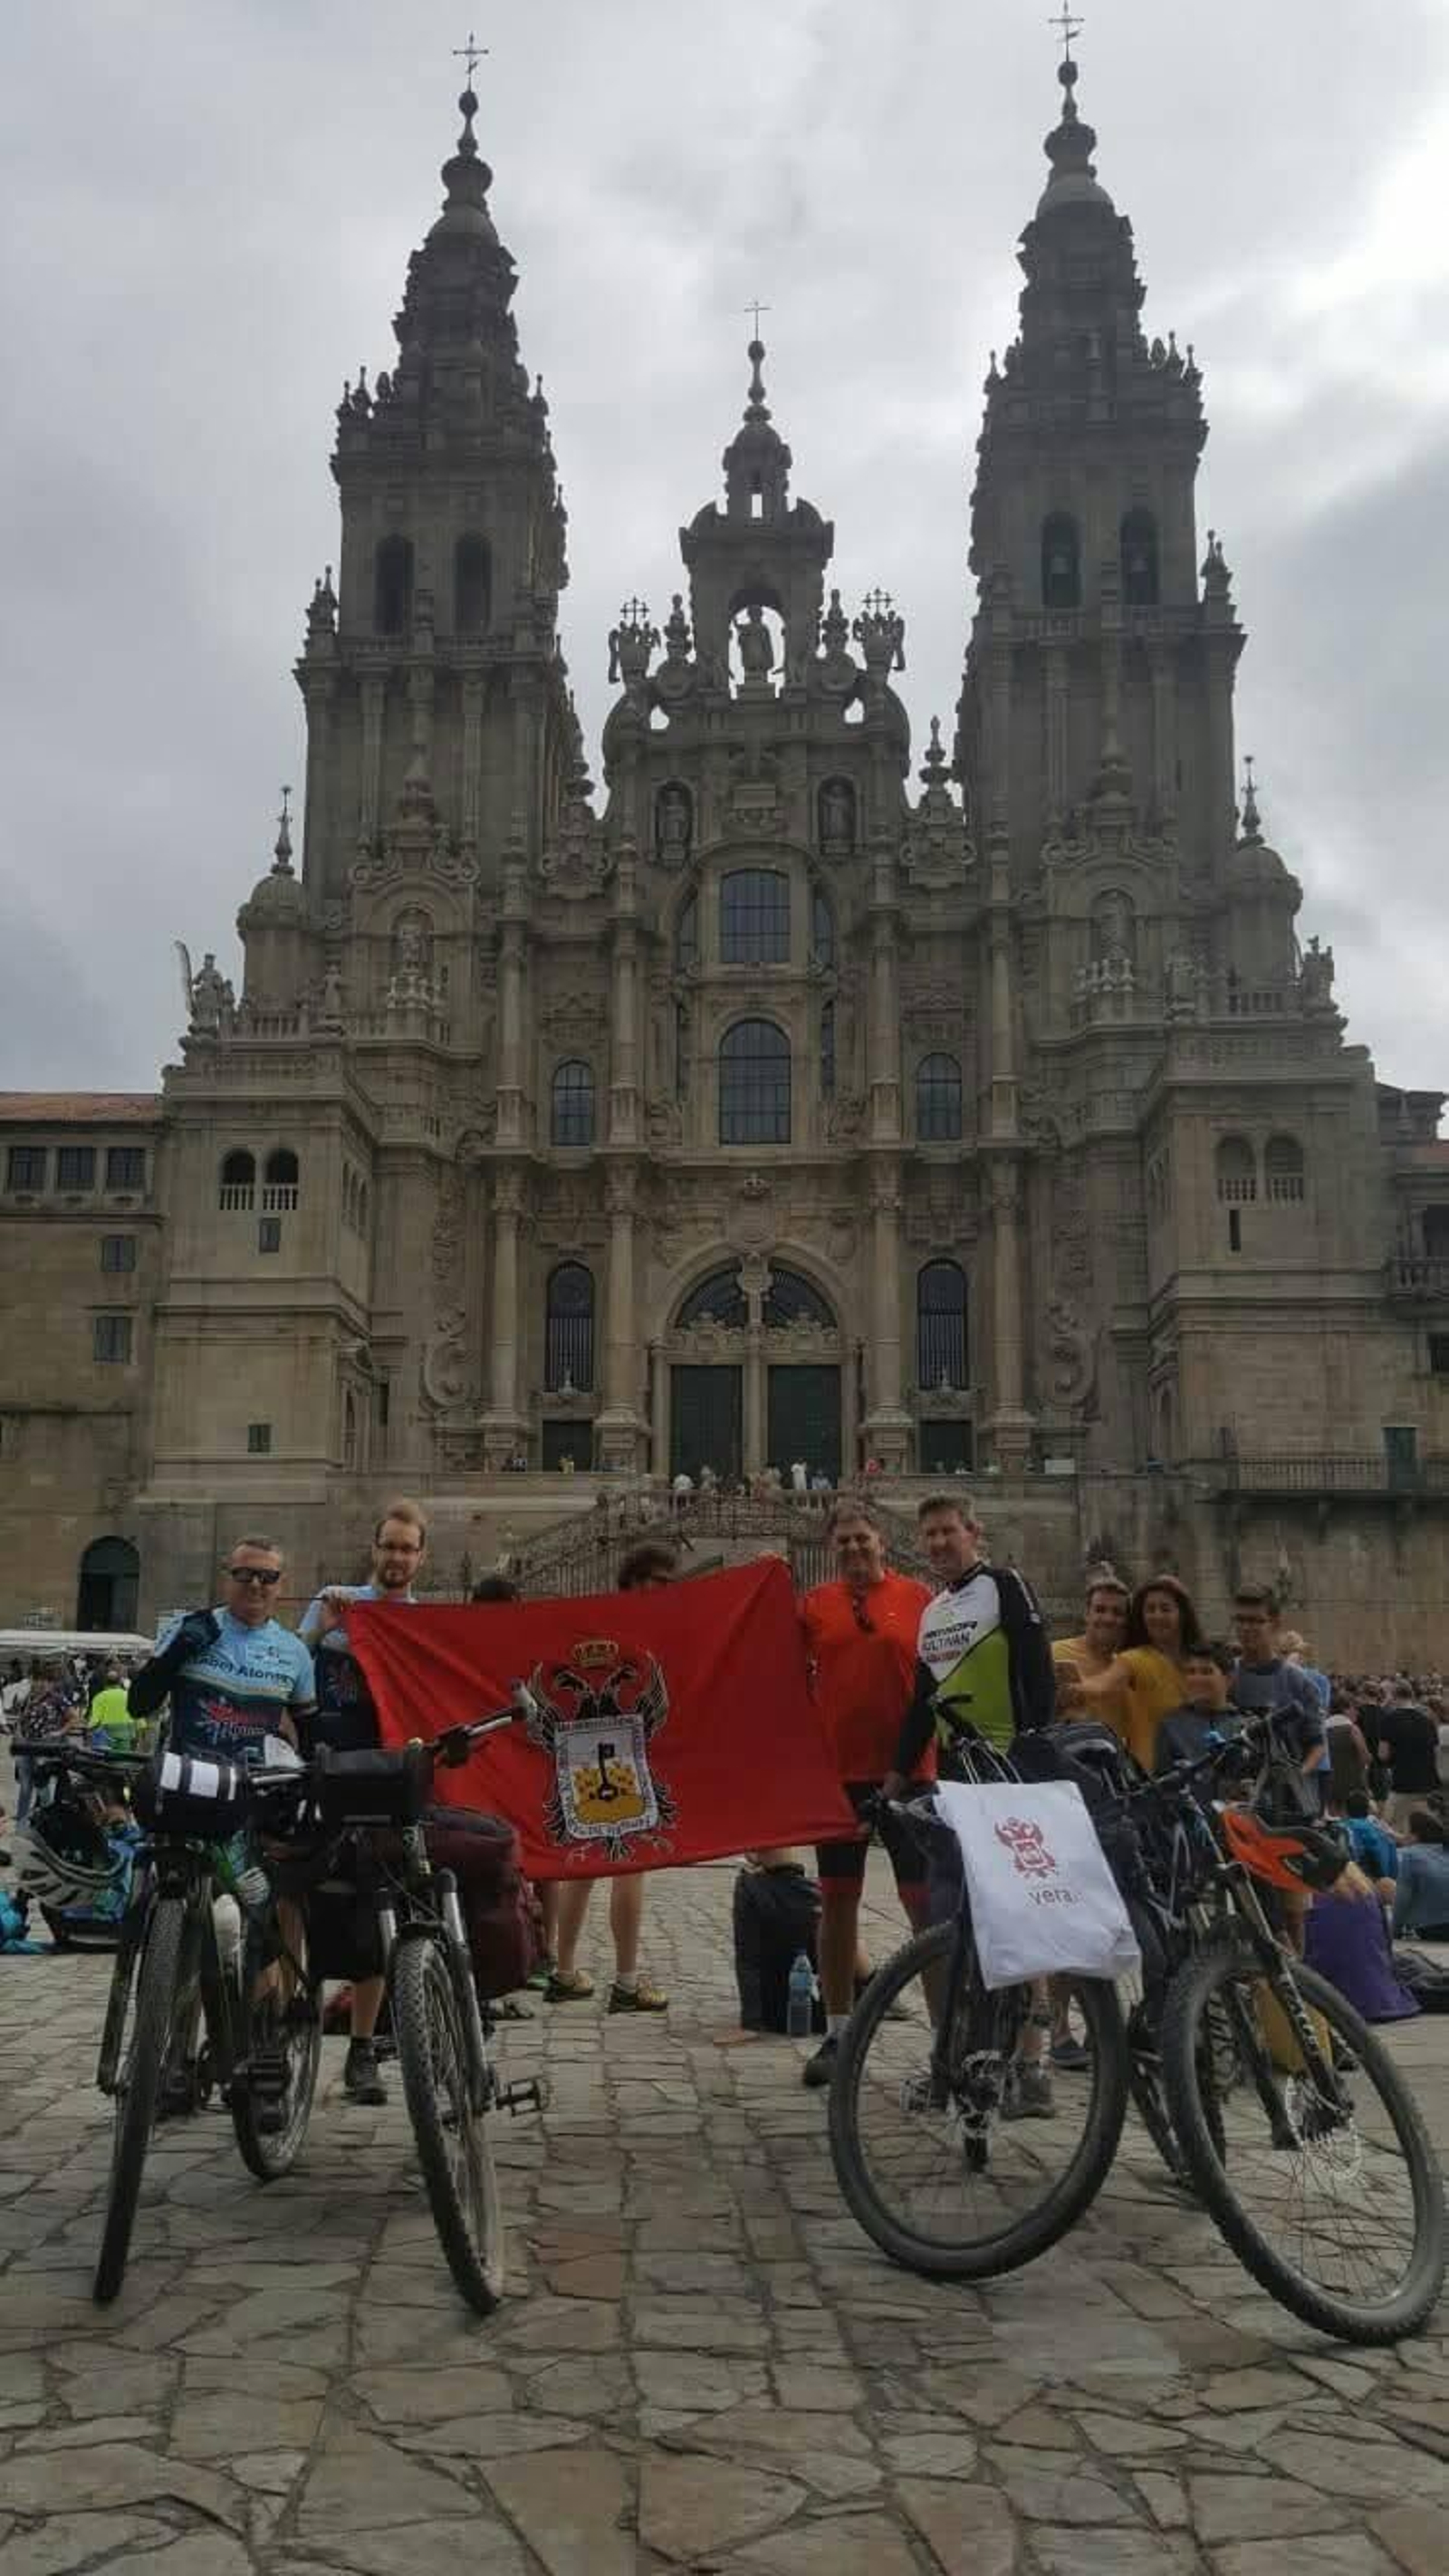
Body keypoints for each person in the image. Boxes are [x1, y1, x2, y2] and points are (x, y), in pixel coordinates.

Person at [889, 1494, 1058, 2119]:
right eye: (929, 1534)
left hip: (1010, 1771)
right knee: (954, 1922)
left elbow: (1039, 1677)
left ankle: (1033, 2065)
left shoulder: (1006, 1587)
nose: (938, 1543)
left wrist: (1033, 1757)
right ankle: (959, 2059)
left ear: (973, 1532)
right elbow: (922, 1704)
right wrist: (892, 1780)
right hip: (955, 1781)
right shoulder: (932, 1611)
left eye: (947, 1532)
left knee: (1019, 1918)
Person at [796, 1500, 934, 2089]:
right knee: (837, 1901)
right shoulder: (814, 1606)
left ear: (882, 1541)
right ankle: (838, 2031)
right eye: (844, 1540)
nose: (854, 1548)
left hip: (911, 1770)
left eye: (862, 1538)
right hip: (840, 1774)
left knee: (924, 1906)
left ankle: (944, 2040)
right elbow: (771, 1663)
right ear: (832, 1547)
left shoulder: (921, 1600)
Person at [299, 1499, 431, 2104]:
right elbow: (290, 1671)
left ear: (421, 1557)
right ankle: (288, 2027)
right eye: (390, 1546)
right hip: (323, 1769)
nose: (397, 1557)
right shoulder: (335, 1603)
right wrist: (321, 1629)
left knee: (374, 1913)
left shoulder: (424, 1623)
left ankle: (361, 2050)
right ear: (374, 1549)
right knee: (300, 1903)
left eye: (407, 1548)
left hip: (382, 1778)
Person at [548, 1539, 677, 2014]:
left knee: (584, 1862)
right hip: (620, 1754)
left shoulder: (599, 1619)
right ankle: (624, 1980)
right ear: (635, 1582)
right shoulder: (639, 1627)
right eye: (659, 1582)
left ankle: (565, 1971)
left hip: (591, 1749)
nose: (667, 1591)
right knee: (626, 1863)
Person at [1070, 1574, 1207, 1773]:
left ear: (1182, 1613)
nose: (1157, 1616)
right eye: (1150, 1609)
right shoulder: (1135, 1659)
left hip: (1202, 1771)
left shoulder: (1204, 1662)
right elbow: (1100, 1686)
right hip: (1155, 1779)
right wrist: (1072, 1686)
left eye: (1165, 1609)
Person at [1051, 1574, 1131, 1746]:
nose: (1108, 1619)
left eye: (1117, 1612)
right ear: (1087, 1614)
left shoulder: (1126, 1672)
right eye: (1100, 1610)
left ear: (1126, 1621)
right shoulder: (1055, 1653)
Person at [1154, 1639, 1245, 1773]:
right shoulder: (1170, 1726)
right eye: (1191, 1672)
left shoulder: (1245, 1726)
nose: (1197, 1679)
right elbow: (1161, 1781)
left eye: (1206, 1672)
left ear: (1229, 1678)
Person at [1373, 1692, 1441, 1834]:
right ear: (1411, 1698)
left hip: (1403, 1781)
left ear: (1395, 1698)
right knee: (1425, 1829)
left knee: (1391, 1827)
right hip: (1428, 1782)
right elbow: (1435, 1753)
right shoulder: (1428, 1720)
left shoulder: (1389, 1719)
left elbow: (1383, 1754)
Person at [1392, 1810, 1449, 1942]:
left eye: (1405, 1832)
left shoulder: (1411, 1855)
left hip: (1433, 1928)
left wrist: (1394, 1932)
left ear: (1415, 1835)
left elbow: (1402, 1900)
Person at [1338, 1788, 1398, 1901]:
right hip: (1387, 1886)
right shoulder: (1383, 1828)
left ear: (1346, 1810)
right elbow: (1394, 1865)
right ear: (1368, 1810)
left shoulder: (1344, 1828)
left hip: (1364, 1886)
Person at [87, 1662, 138, 1753]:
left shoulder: (99, 1697)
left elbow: (95, 1720)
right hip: (126, 1733)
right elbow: (137, 1717)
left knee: (106, 1758)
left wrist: (89, 1730)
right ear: (119, 1682)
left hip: (107, 1734)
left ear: (105, 1683)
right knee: (123, 1758)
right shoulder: (129, 1696)